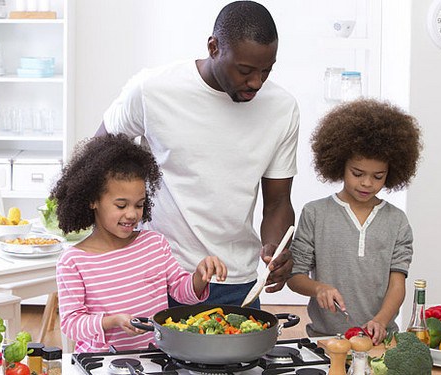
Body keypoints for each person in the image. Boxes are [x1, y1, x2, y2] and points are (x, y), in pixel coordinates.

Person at [95, 1, 299, 308]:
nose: (256, 82)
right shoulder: (152, 90)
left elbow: (279, 202)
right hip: (157, 274)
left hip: (236, 281)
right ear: (214, 47)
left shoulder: (282, 109)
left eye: (266, 71)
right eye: (245, 70)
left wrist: (276, 247)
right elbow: (97, 159)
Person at [52, 134, 227, 352]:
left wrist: (200, 277)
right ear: (93, 200)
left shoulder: (154, 244)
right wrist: (112, 321)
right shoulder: (73, 261)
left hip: (154, 357)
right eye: (121, 205)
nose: (132, 214)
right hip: (102, 364)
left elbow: (182, 292)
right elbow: (71, 324)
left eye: (139, 205)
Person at [287, 99, 423, 345]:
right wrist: (319, 288)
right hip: (325, 339)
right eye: (357, 173)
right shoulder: (315, 213)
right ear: (340, 165)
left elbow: (397, 285)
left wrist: (380, 321)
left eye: (378, 176)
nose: (367, 183)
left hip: (379, 339)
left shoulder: (397, 221)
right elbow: (295, 277)